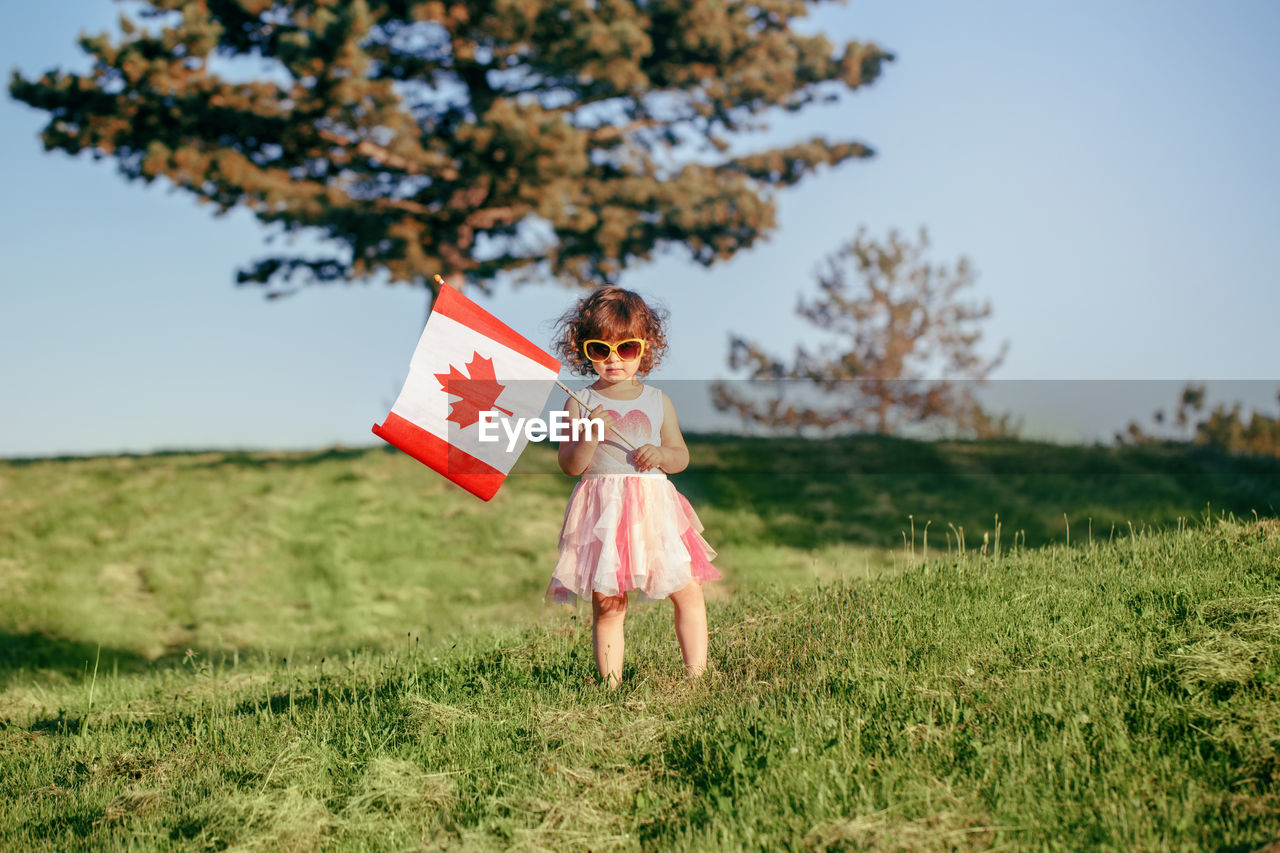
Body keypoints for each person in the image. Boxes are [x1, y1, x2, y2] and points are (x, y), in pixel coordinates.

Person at [548, 286, 720, 688]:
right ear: (583, 349)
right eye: (600, 349)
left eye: (626, 349)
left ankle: (697, 677)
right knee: (609, 603)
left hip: (653, 509)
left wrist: (661, 455)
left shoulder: (659, 400)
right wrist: (591, 433)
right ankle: (610, 686)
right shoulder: (580, 402)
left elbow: (681, 456)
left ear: (646, 347)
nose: (613, 360)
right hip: (604, 510)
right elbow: (570, 465)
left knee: (687, 591)